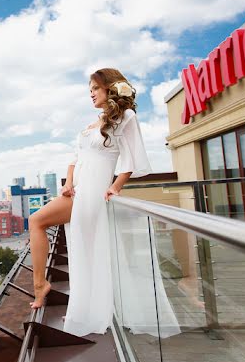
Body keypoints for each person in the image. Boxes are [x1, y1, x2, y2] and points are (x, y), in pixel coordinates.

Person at [27, 68, 152, 337]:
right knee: (81, 249)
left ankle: (42, 287)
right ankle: (61, 294)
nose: (91, 94)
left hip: (95, 192)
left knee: (40, 222)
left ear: (109, 88)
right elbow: (75, 157)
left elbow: (131, 160)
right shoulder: (93, 123)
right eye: (89, 90)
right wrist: (68, 182)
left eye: (95, 88)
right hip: (77, 191)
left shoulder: (125, 117)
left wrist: (115, 186)